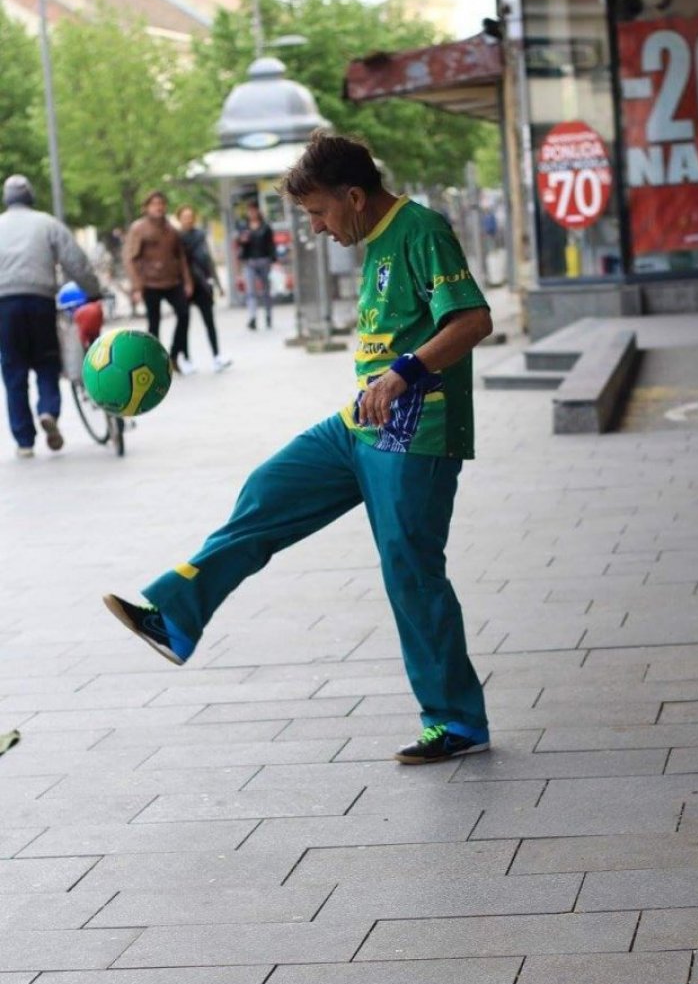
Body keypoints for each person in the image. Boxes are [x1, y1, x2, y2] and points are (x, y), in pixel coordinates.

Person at [103, 130, 494, 765]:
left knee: (410, 571)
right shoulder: (376, 239)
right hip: (361, 425)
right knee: (270, 487)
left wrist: (401, 374)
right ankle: (175, 616)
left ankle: (456, 720)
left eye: (318, 212)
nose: (314, 227)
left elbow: (473, 320)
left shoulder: (421, 230)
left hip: (417, 434)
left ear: (354, 196)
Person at [0, 174, 100, 458]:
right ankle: (48, 411)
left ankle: (24, 442)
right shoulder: (47, 223)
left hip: (4, 305)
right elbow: (75, 261)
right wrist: (93, 291)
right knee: (46, 362)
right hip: (40, 301)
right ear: (30, 197)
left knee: (13, 370)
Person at [123, 190, 193, 373]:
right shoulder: (139, 228)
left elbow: (181, 257)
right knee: (154, 324)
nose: (158, 207)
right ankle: (155, 363)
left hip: (172, 281)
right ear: (146, 207)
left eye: (161, 204)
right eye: (154, 204)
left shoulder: (171, 230)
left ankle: (174, 355)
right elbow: (130, 258)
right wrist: (136, 286)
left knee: (184, 314)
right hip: (149, 283)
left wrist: (187, 281)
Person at [176, 205, 232, 374]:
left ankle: (216, 356)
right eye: (185, 217)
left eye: (191, 216)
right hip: (184, 286)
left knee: (210, 322)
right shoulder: (176, 238)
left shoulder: (200, 235)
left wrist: (218, 285)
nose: (188, 220)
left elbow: (209, 261)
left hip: (202, 284)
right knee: (184, 323)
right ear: (179, 219)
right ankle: (186, 359)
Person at [237, 201, 276, 330]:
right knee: (251, 291)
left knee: (266, 291)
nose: (252, 213)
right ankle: (252, 317)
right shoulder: (244, 227)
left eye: (254, 210)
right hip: (250, 262)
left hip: (264, 261)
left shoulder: (265, 227)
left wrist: (273, 259)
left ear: (258, 211)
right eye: (250, 211)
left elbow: (271, 244)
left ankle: (268, 315)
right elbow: (239, 243)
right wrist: (242, 240)